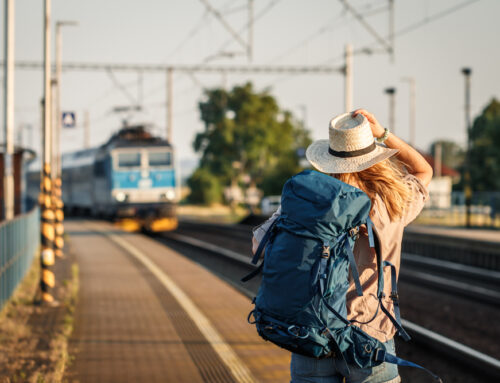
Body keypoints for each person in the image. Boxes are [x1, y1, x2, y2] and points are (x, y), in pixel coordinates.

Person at [252, 109, 433, 383]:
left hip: (311, 333)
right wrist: (383, 133)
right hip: (369, 336)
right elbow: (423, 169)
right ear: (374, 157)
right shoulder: (393, 201)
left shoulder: (306, 204)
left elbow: (258, 246)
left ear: (328, 161)